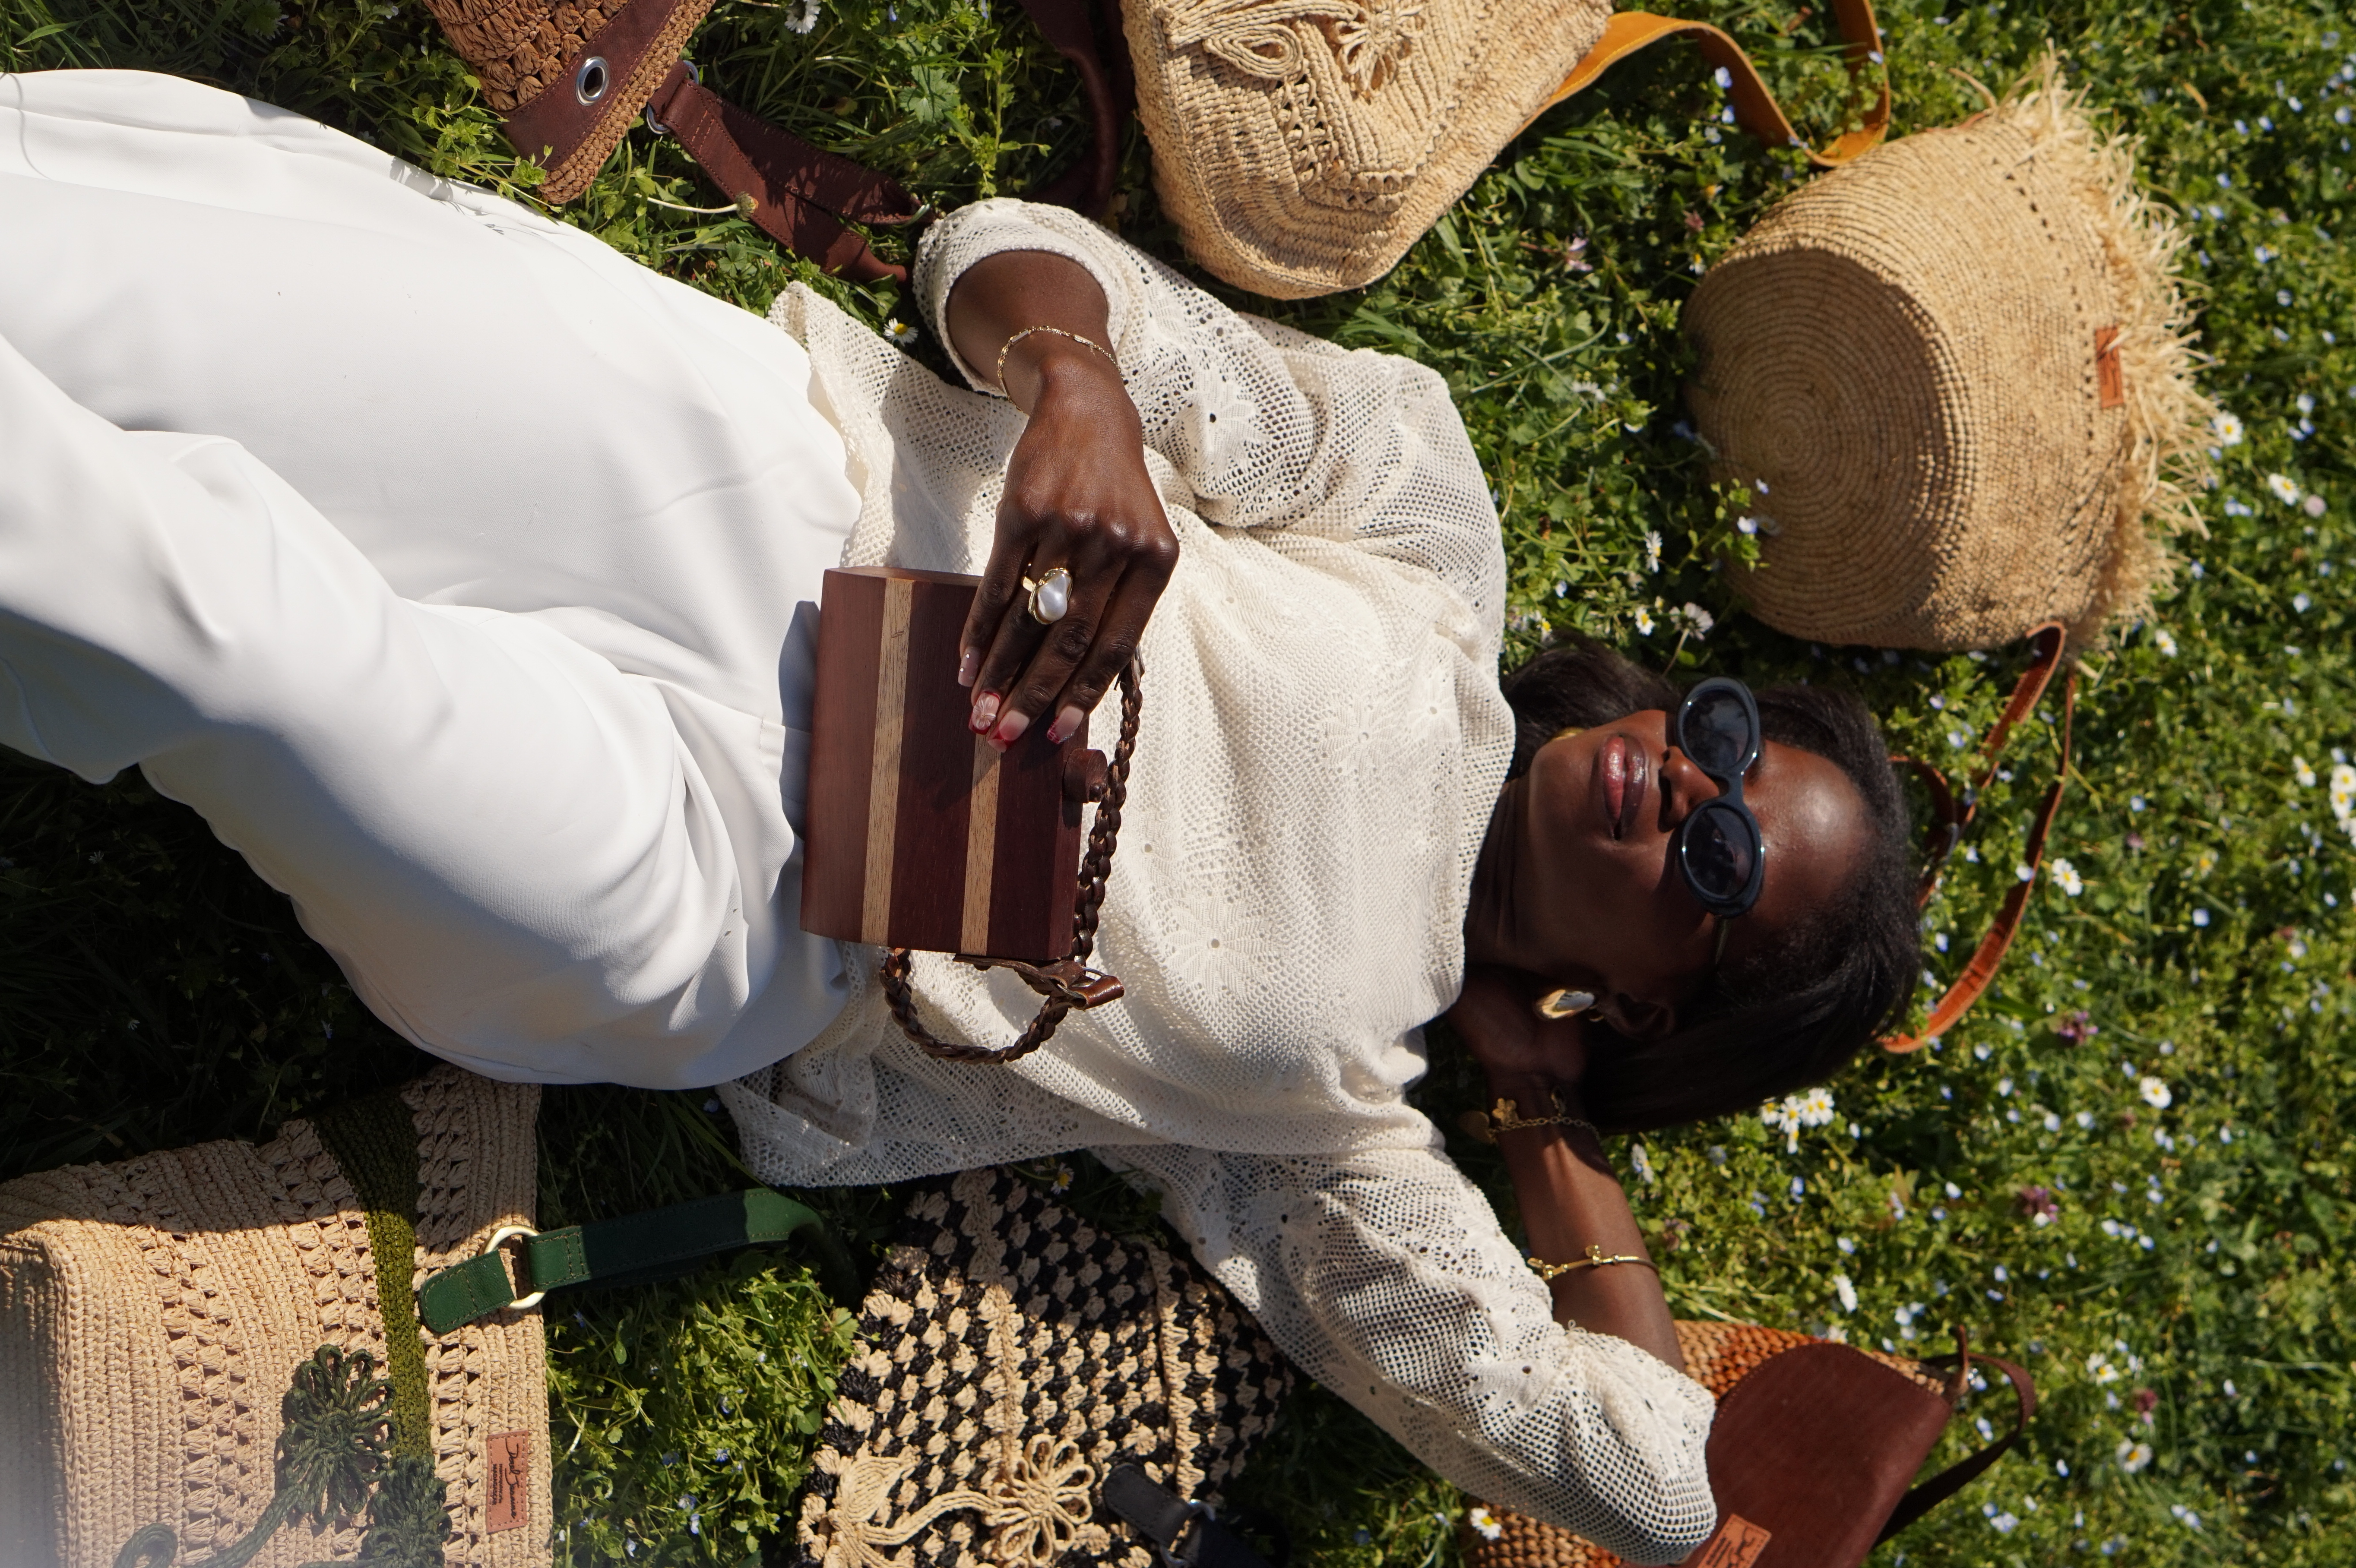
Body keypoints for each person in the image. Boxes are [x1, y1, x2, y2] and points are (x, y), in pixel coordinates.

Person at [0, 69, 1917, 1562]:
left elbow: (1652, 1490)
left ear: (1659, 998)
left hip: (737, 897)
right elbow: (998, 249)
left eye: (1721, 863)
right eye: (1728, 741)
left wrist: (1529, 1112)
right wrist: (1074, 382)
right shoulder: (1423, 538)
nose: (1687, 786)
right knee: (179, 279)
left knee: (240, 633)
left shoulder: (1336, 1146)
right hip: (759, 484)